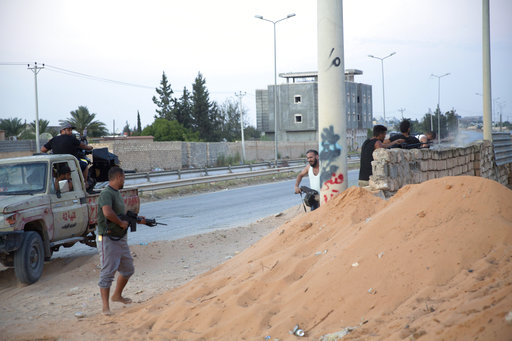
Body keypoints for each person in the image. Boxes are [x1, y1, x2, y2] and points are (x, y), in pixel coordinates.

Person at [96, 166, 147, 315]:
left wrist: (138, 220)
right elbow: (107, 212)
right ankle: (105, 307)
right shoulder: (106, 193)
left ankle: (117, 295)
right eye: (123, 178)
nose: (124, 180)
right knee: (108, 272)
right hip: (108, 238)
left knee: (128, 269)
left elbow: (122, 215)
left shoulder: (116, 193)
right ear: (118, 177)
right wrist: (119, 223)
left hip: (120, 238)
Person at [41, 123, 93, 187]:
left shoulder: (54, 139)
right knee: (85, 165)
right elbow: (83, 146)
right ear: (62, 131)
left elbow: (43, 149)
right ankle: (85, 183)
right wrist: (90, 147)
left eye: (71, 130)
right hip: (71, 164)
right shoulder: (72, 138)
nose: (71, 132)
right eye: (69, 130)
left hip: (58, 165)